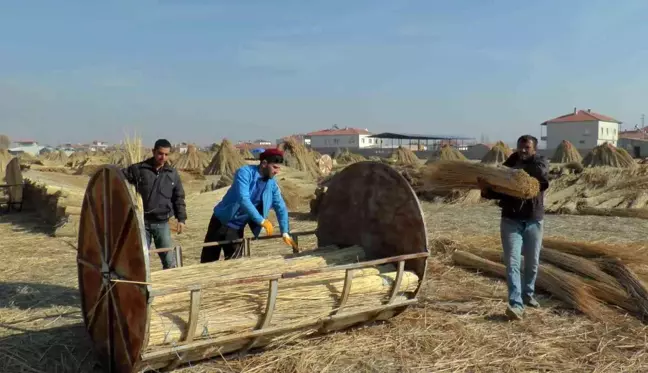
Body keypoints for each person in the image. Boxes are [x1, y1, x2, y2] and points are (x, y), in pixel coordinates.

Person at [477, 135, 549, 321]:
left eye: (527, 147)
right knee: (512, 263)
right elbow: (497, 192)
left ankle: (528, 294)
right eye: (520, 147)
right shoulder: (508, 165)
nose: (523, 151)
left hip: (533, 220)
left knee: (532, 264)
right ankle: (516, 304)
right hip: (511, 220)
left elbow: (541, 177)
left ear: (534, 149)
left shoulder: (539, 162)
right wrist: (486, 189)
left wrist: (515, 173)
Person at [200, 148, 297, 263]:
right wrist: (261, 221)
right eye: (275, 167)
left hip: (236, 229)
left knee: (235, 264)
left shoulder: (272, 185)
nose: (277, 171)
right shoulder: (245, 173)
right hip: (220, 222)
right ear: (264, 163)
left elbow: (280, 207)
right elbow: (243, 199)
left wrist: (285, 231)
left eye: (279, 168)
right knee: (208, 261)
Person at [122, 139, 186, 269]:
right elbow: (119, 179)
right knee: (140, 261)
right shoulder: (138, 169)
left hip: (162, 223)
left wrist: (181, 219)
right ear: (153, 152)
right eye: (160, 153)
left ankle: (169, 285)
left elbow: (178, 197)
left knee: (169, 261)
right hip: (141, 223)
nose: (163, 157)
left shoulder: (172, 174)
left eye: (166, 154)